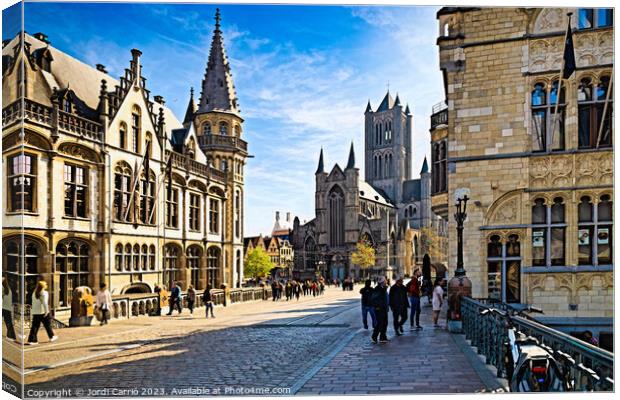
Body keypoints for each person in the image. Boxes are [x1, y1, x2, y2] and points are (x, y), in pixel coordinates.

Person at [27, 280, 58, 345]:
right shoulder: (44, 293)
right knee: (47, 325)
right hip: (42, 312)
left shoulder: (34, 292)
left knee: (34, 326)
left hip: (35, 312)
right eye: (46, 284)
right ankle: (51, 336)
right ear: (44, 286)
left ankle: (32, 340)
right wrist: (46, 311)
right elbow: (45, 303)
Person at [371, 277, 389, 343]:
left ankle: (383, 337)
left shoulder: (383, 288)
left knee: (385, 323)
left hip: (384, 309)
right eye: (385, 280)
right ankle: (374, 337)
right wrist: (377, 306)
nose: (386, 281)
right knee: (380, 323)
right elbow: (373, 299)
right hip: (379, 309)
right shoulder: (377, 289)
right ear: (382, 282)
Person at [2, 277, 21, 342]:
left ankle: (11, 336)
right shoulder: (9, 289)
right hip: (8, 308)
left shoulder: (2, 288)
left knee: (8, 322)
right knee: (8, 322)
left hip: (3, 307)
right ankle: (11, 336)